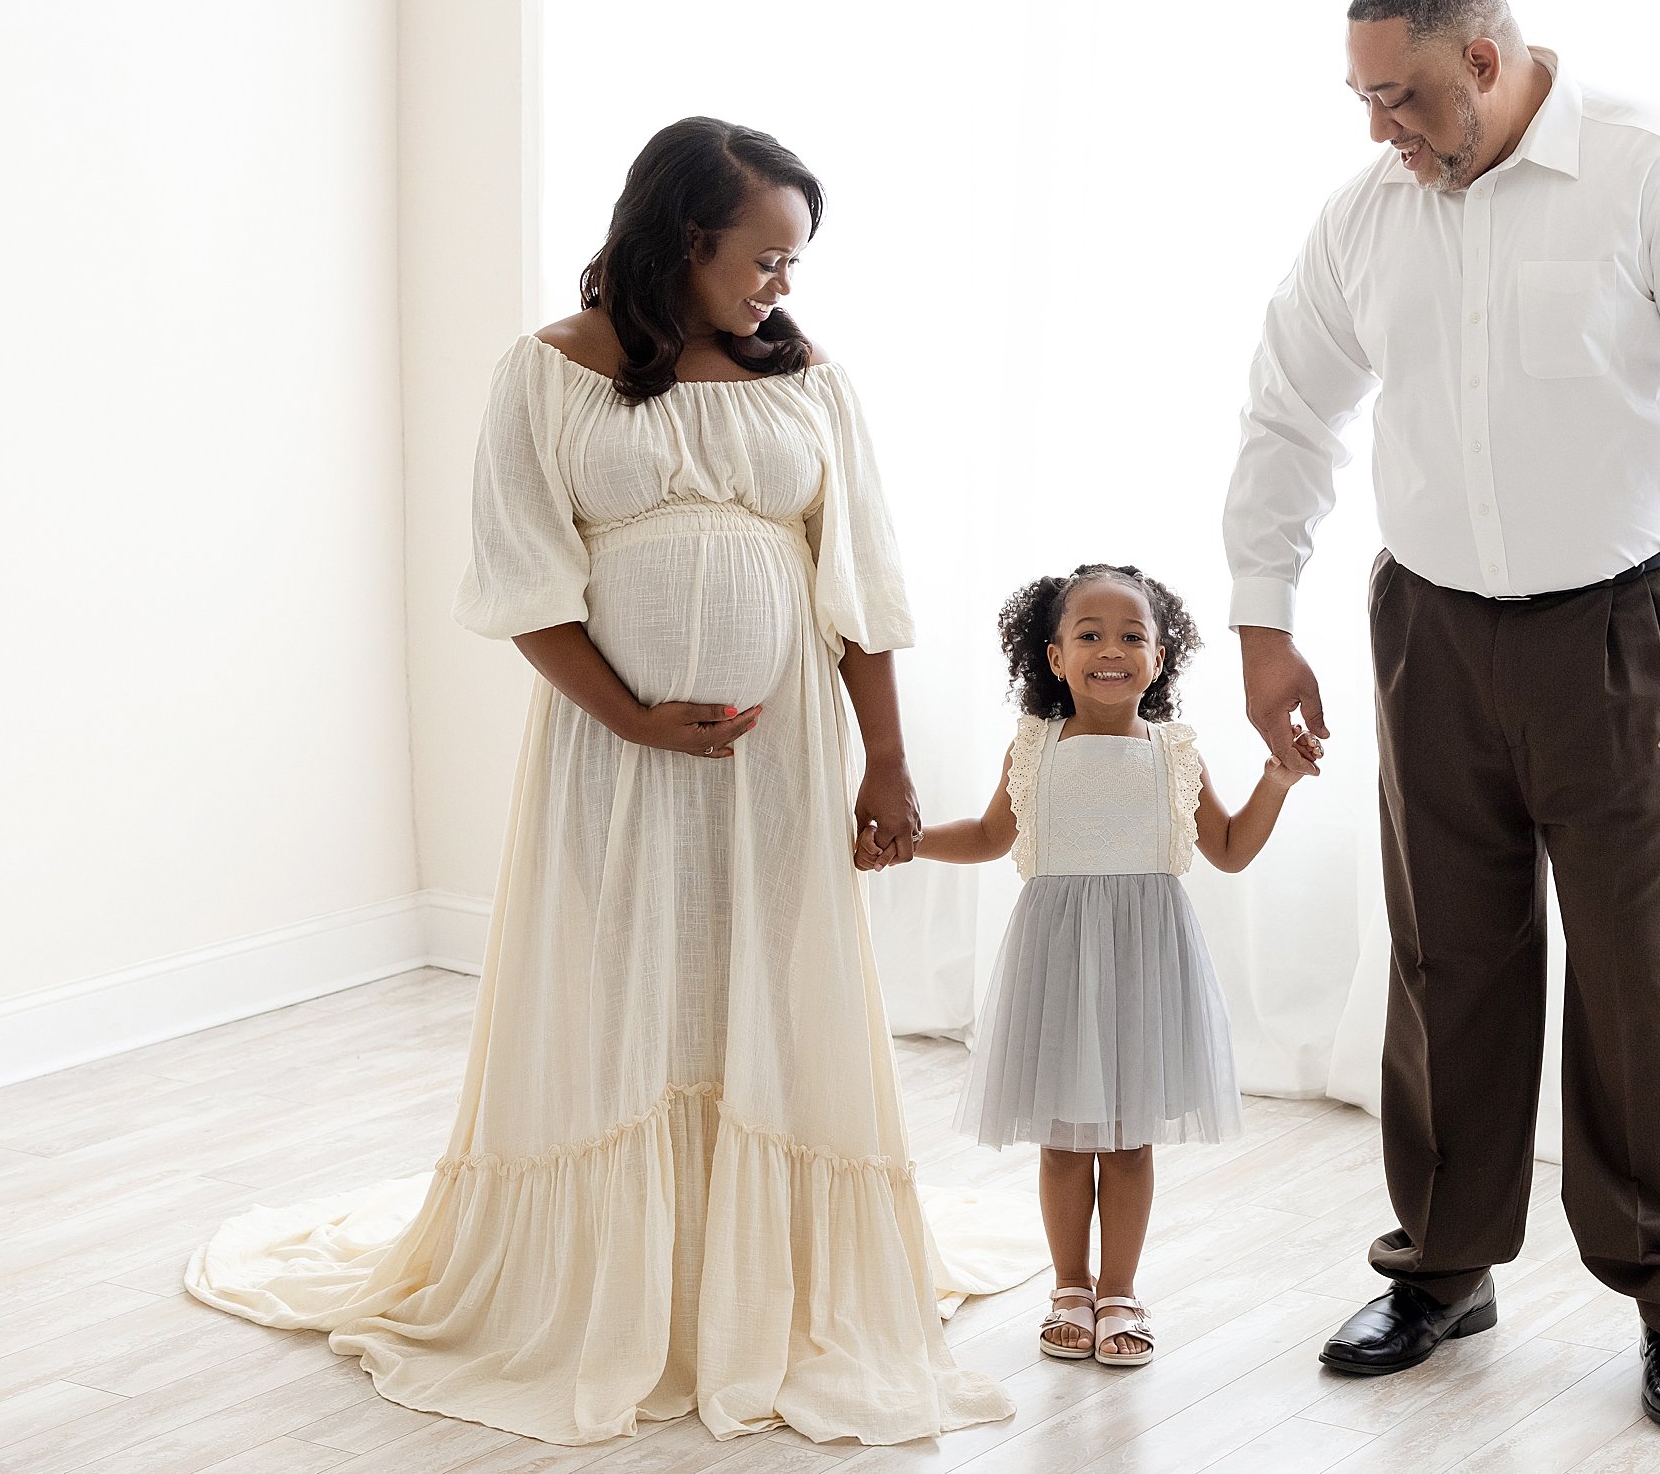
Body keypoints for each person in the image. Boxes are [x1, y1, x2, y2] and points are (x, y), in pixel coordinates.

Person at [185, 117, 1030, 1447]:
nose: (783, 283)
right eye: (765, 254)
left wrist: (891, 761)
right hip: (614, 753)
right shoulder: (550, 372)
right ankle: (613, 1281)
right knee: (622, 972)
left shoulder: (807, 372)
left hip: (784, 748)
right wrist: (632, 716)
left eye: (796, 258)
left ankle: (768, 1280)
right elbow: (520, 579)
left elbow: (860, 581)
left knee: (775, 965)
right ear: (685, 237)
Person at [1221, 0, 1660, 1430]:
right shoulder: (1369, 216)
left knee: (1633, 972)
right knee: (1447, 959)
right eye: (1359, 97)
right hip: (1429, 629)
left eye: (1401, 95)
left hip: (1628, 630)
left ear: (1485, 59)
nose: (1378, 130)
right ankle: (1442, 1265)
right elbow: (1287, 402)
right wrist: (1262, 617)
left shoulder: (1658, 172)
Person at [876, 564, 1318, 1367]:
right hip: (1058, 961)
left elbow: (1227, 849)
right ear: (1052, 656)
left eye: (1131, 636)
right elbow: (986, 835)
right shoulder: (1035, 745)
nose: (1111, 649)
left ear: (1159, 657)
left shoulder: (1173, 752)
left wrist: (1276, 780)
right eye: (1090, 634)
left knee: (1129, 1140)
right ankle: (1068, 1285)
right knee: (1062, 1138)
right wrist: (908, 843)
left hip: (1145, 961)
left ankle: (1120, 1289)